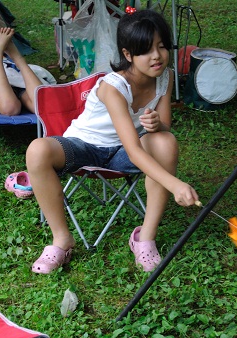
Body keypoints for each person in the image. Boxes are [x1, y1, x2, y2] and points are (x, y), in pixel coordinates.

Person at [26, 9, 199, 274]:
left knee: (165, 140)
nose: (157, 56)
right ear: (128, 54)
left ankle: (145, 238)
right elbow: (133, 150)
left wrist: (157, 125)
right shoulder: (113, 86)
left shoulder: (164, 76)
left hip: (122, 152)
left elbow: (164, 124)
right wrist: (176, 185)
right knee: (37, 150)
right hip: (85, 147)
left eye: (162, 46)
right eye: (145, 50)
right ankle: (62, 240)